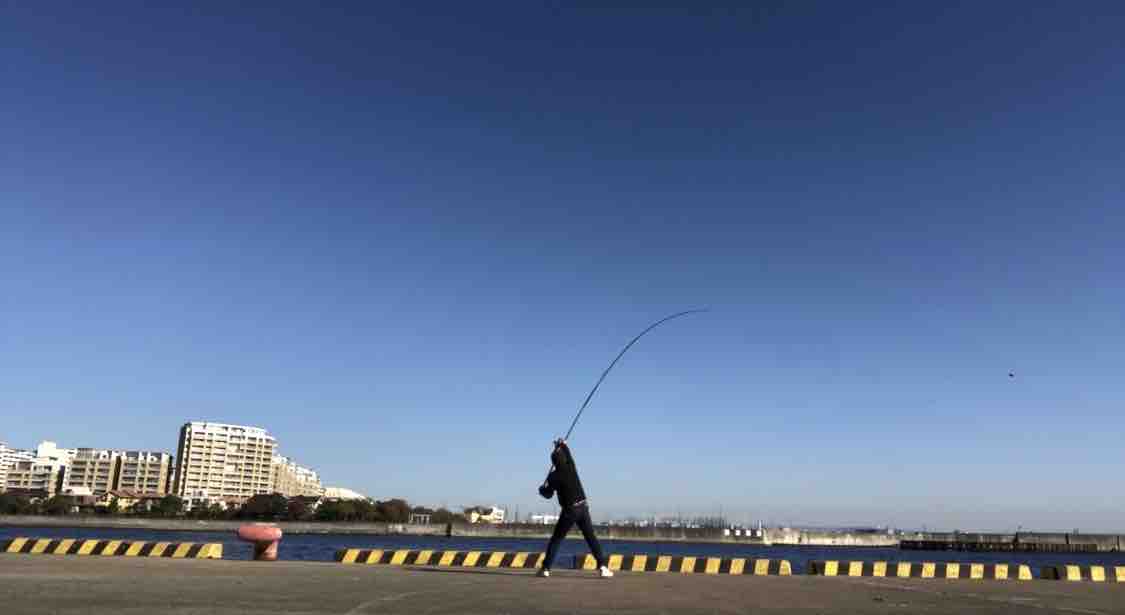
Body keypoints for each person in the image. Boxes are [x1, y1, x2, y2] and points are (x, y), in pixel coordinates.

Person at [536, 439, 612, 578]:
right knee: (591, 538)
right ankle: (603, 567)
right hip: (583, 507)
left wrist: (541, 490)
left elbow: (548, 494)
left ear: (553, 463)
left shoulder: (553, 476)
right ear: (564, 459)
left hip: (569, 511)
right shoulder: (571, 467)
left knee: (557, 539)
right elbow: (569, 455)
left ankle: (545, 568)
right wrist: (562, 445)